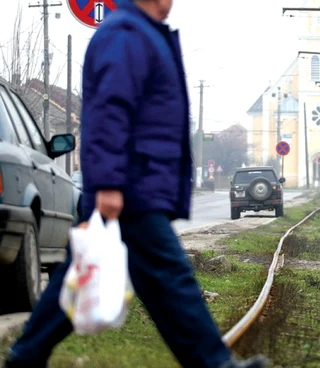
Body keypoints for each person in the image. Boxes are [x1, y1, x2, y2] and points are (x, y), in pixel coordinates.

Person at [3, 1, 269, 367]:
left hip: (134, 184)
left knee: (89, 273)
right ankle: (214, 363)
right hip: (131, 187)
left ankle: (26, 355)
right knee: (170, 280)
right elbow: (108, 112)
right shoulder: (127, 35)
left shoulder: (140, 33)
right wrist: (109, 184)